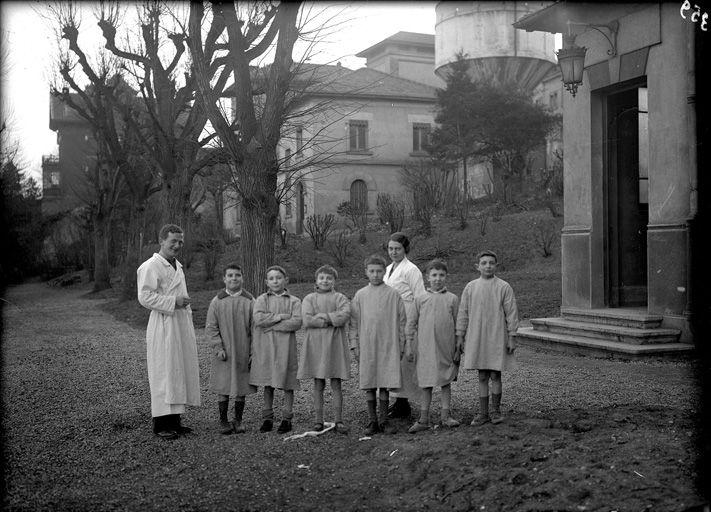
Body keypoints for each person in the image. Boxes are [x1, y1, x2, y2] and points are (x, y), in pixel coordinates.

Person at [137, 224, 201, 439]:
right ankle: (161, 424)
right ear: (162, 240)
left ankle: (175, 420)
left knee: (177, 370)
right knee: (164, 372)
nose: (177, 245)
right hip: (163, 323)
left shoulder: (177, 266)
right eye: (173, 241)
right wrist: (173, 301)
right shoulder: (151, 266)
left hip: (179, 323)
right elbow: (145, 297)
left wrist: (181, 304)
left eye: (180, 241)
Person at [455, 250, 520, 425]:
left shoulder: (503, 287)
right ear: (477, 266)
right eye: (484, 263)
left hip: (496, 336)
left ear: (496, 265)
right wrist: (460, 335)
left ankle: (495, 411)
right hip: (477, 337)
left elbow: (511, 312)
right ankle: (483, 413)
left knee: (495, 374)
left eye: (491, 263)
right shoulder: (471, 287)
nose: (488, 266)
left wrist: (512, 336)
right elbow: (463, 313)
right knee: (482, 376)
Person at [349, 254, 407, 435]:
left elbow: (402, 322)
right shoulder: (360, 295)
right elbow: (354, 324)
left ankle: (384, 420)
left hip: (388, 347)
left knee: (384, 383)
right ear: (366, 272)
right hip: (367, 347)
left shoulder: (393, 294)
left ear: (385, 272)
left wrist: (402, 345)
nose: (375, 274)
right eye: (372, 271)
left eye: (379, 271)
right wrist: (354, 345)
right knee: (369, 383)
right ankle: (372, 421)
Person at [406, 259, 461, 433]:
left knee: (446, 381)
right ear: (427, 277)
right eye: (434, 275)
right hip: (425, 349)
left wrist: (459, 345)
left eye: (441, 275)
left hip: (446, 348)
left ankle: (446, 416)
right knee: (426, 384)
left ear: (446, 277)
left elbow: (459, 324)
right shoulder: (420, 299)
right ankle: (424, 418)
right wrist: (409, 345)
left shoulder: (452, 299)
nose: (438, 279)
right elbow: (411, 324)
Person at [297, 265, 351, 434]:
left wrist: (324, 317)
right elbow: (307, 320)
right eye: (322, 278)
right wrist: (329, 321)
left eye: (329, 278)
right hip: (316, 346)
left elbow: (344, 315)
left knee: (336, 383)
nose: (325, 281)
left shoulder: (340, 297)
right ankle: (318, 420)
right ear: (316, 280)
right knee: (318, 383)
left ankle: (338, 419)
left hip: (335, 345)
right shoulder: (309, 298)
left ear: (334, 281)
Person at [249, 265, 302, 434]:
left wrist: (271, 326)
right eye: (271, 278)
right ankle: (267, 418)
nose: (275, 281)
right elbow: (258, 319)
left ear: (286, 280)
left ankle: (287, 418)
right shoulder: (262, 299)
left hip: (286, 348)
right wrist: (279, 317)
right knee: (268, 383)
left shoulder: (294, 301)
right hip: (267, 348)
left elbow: (296, 322)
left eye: (278, 278)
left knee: (288, 383)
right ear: (266, 282)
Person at [205, 263, 256, 435]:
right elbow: (211, 327)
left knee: (241, 385)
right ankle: (223, 420)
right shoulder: (217, 301)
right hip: (224, 353)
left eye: (237, 275)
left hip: (243, 351)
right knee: (224, 385)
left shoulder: (250, 301)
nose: (234, 278)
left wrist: (253, 352)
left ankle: (238, 419)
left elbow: (256, 328)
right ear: (224, 279)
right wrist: (217, 347)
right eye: (230, 275)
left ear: (242, 278)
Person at [383, 232, 426, 419]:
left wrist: (417, 323)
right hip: (391, 317)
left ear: (405, 249)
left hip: (407, 315)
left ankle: (404, 403)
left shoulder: (411, 269)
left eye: (397, 249)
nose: (393, 252)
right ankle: (399, 401)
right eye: (391, 248)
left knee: (405, 362)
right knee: (394, 360)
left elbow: (420, 297)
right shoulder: (387, 269)